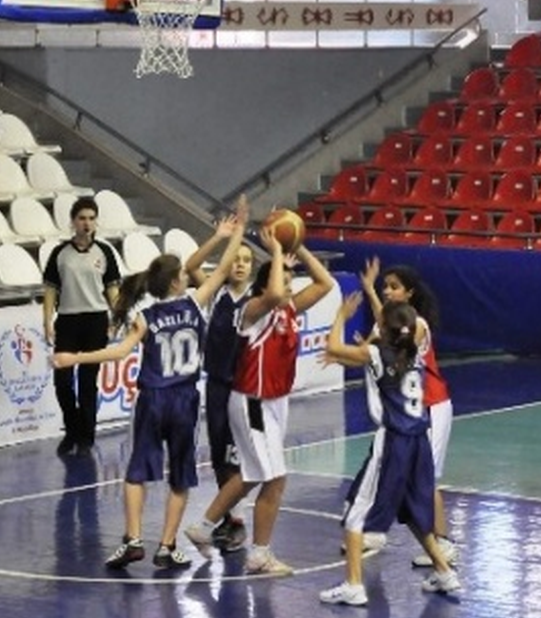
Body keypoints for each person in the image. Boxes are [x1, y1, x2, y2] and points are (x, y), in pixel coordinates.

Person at [53, 199, 249, 570]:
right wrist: (232, 231)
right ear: (176, 282)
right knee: (180, 478)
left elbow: (118, 352)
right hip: (185, 400)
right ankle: (167, 545)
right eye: (183, 275)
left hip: (152, 400)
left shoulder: (145, 316)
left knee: (136, 474)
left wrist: (74, 358)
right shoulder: (194, 304)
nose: (188, 277)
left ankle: (132, 539)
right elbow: (224, 268)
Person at [185, 228, 335, 575]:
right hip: (253, 400)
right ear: (267, 284)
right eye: (285, 280)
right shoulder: (254, 310)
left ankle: (202, 527)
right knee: (276, 478)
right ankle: (260, 554)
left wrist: (298, 246)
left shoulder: (288, 309)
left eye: (292, 281)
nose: (290, 287)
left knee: (252, 473)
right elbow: (274, 294)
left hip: (275, 402)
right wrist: (277, 252)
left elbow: (325, 283)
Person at [318, 293, 461, 605]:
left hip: (394, 441)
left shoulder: (376, 352)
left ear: (382, 329)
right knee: (410, 510)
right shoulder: (415, 353)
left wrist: (341, 315)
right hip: (419, 440)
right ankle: (444, 571)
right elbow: (371, 360)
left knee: (355, 510)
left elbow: (334, 346)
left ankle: (353, 585)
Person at [358, 256, 457, 568]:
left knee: (428, 479)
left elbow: (390, 346)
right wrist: (369, 291)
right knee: (394, 471)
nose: (387, 291)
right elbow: (384, 327)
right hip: (409, 413)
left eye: (394, 287)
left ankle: (444, 543)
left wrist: (363, 349)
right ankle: (376, 530)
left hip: (431, 407)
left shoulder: (418, 325)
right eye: (385, 287)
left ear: (410, 293)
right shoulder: (390, 323)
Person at [182, 220, 256, 553]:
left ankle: (237, 521)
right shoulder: (217, 294)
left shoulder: (257, 300)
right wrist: (219, 237)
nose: (239, 265)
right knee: (217, 455)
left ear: (253, 268)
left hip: (243, 389)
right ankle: (229, 517)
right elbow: (191, 266)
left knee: (235, 457)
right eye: (235, 259)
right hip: (216, 385)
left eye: (246, 260)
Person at [42, 196, 122, 456]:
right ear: (73, 222)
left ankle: (86, 436)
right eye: (82, 218)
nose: (86, 223)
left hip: (95, 319)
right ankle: (72, 427)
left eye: (91, 218)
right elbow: (50, 290)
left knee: (88, 381)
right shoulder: (60, 254)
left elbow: (112, 290)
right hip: (68, 319)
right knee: (62, 381)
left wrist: (118, 316)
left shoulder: (104, 252)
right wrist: (47, 320)